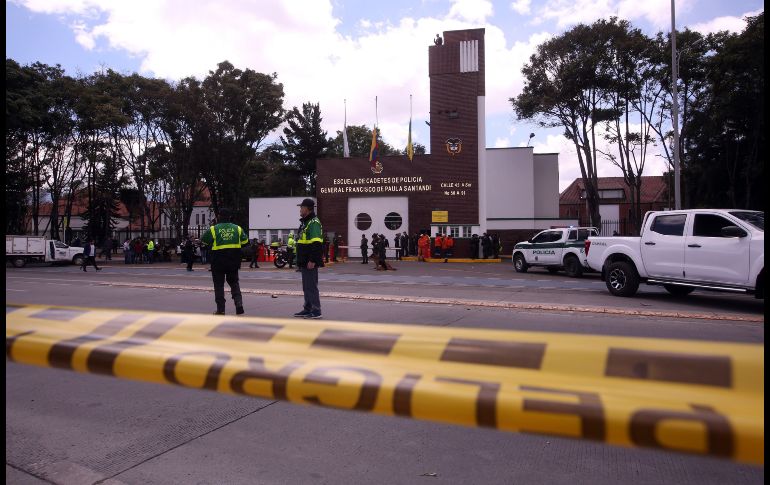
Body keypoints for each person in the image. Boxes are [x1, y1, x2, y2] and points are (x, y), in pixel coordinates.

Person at [201, 209, 249, 315]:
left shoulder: (214, 229)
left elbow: (203, 241)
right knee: (234, 283)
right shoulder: (237, 228)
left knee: (219, 285)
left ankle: (221, 309)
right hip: (233, 261)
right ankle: (239, 304)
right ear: (229, 217)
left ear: (218, 217)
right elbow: (245, 242)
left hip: (218, 261)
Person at [294, 198, 324, 319]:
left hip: (309, 260)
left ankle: (316, 311)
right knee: (306, 286)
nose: (300, 209)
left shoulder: (314, 223)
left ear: (307, 208)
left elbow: (317, 244)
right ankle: (308, 308)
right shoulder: (305, 223)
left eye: (301, 207)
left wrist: (312, 260)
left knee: (311, 286)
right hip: (304, 260)